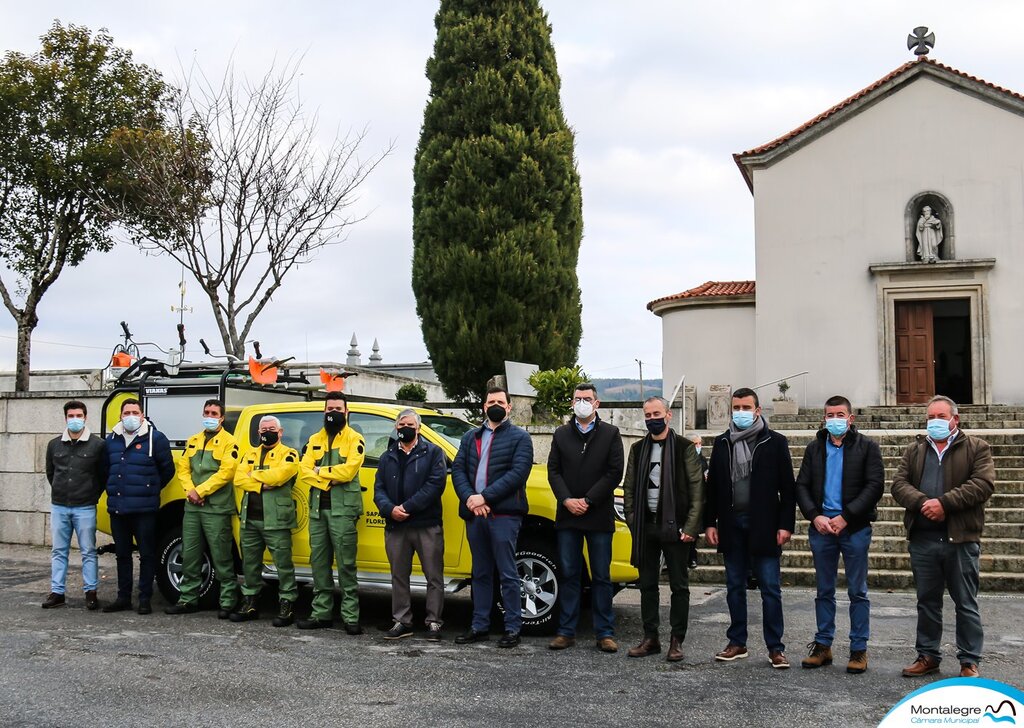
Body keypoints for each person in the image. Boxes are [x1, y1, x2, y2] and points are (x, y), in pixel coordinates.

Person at [891, 395, 994, 679]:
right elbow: (899, 484)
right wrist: (924, 502)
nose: (934, 422)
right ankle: (927, 655)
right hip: (923, 539)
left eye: (940, 417)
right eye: (930, 417)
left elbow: (983, 484)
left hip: (959, 539)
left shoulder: (977, 448)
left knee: (966, 602)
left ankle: (969, 660)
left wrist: (944, 504)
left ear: (955, 420)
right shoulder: (915, 450)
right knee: (927, 601)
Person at [705, 387, 796, 668]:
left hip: (765, 526)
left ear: (757, 410)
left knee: (770, 588)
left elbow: (788, 489)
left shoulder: (774, 442)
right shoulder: (722, 443)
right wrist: (710, 522)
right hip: (732, 525)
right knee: (734, 586)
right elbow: (713, 489)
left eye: (746, 407)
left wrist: (785, 525)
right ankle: (737, 642)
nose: (740, 412)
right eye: (737, 408)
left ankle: (775, 647)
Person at [795, 395, 884, 674]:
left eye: (839, 414)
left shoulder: (867, 447)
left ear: (850, 418)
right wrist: (815, 516)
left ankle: (859, 649)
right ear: (824, 418)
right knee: (824, 590)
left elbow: (874, 486)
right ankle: (823, 645)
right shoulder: (814, 449)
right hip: (822, 529)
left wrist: (847, 517)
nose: (834, 419)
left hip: (853, 528)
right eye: (829, 414)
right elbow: (802, 486)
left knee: (858, 591)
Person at [622, 397, 704, 662]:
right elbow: (629, 488)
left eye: (656, 413)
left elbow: (696, 489)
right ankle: (650, 638)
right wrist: (634, 520)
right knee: (647, 584)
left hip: (676, 526)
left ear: (668, 415)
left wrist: (691, 527)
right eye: (647, 415)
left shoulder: (683, 448)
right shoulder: (637, 449)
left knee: (679, 585)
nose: (651, 419)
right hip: (646, 525)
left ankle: (676, 640)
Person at [452, 386, 533, 648]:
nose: (495, 405)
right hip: (475, 514)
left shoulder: (521, 438)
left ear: (509, 407)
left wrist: (484, 497)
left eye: (500, 401)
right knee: (481, 573)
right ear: (484, 407)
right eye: (490, 401)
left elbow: (517, 474)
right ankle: (480, 626)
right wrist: (470, 499)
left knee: (508, 573)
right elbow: (458, 471)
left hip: (505, 515)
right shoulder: (470, 437)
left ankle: (512, 628)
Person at [546, 383, 624, 653]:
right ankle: (566, 631)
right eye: (578, 398)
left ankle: (604, 633)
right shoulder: (561, 434)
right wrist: (567, 500)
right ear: (572, 403)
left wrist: (589, 500)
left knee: (601, 576)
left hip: (598, 515)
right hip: (568, 515)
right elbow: (553, 471)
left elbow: (614, 472)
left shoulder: (611, 434)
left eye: (587, 399)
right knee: (569, 573)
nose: (582, 402)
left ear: (597, 403)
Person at [373, 409, 447, 640]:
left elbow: (435, 485)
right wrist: (389, 509)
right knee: (399, 575)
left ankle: (434, 621)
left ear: (419, 428)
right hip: (396, 526)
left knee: (433, 576)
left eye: (410, 424)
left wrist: (407, 507)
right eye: (401, 424)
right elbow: (379, 489)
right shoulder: (387, 456)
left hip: (426, 524)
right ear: (396, 427)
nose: (405, 428)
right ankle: (402, 621)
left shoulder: (434, 452)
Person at [296, 393, 367, 633]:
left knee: (346, 564)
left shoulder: (355, 439)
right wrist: (328, 479)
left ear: (346, 412)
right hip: (318, 510)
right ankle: (321, 614)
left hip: (343, 511)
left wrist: (319, 471)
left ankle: (350, 617)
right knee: (319, 564)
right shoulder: (315, 439)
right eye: (329, 408)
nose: (332, 412)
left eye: (337, 408)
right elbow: (304, 470)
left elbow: (348, 473)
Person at [165, 399, 241, 619]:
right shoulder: (194, 440)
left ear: (222, 418)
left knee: (221, 555)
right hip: (193, 507)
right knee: (190, 553)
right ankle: (187, 599)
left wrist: (202, 491)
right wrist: (191, 491)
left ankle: (227, 601)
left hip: (216, 508)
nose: (209, 416)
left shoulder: (229, 442)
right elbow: (183, 469)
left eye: (214, 413)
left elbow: (226, 472)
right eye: (207, 412)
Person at [103, 398, 174, 615]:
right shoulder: (111, 440)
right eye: (127, 412)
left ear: (142, 415)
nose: (131, 416)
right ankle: (123, 597)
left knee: (147, 554)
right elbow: (105, 469)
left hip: (145, 510)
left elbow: (167, 470)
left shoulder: (156, 439)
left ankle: (144, 598)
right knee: (122, 554)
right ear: (120, 416)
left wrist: (150, 488)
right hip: (118, 508)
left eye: (135, 412)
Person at [231, 416, 300, 626]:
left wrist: (254, 476)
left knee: (283, 565)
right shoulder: (249, 453)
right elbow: (239, 478)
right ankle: (250, 601)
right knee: (250, 564)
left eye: (271, 429)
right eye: (263, 429)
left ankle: (287, 604)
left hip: (276, 520)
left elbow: (280, 476)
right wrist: (262, 483)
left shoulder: (289, 454)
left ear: (280, 432)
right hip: (249, 519)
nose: (266, 432)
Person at [42, 400, 108, 610]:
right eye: (71, 416)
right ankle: (57, 592)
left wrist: (91, 494)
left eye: (78, 416)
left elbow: (102, 475)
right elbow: (51, 473)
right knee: (59, 550)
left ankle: (91, 592)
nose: (75, 420)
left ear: (85, 417)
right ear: (65, 418)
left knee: (88, 551)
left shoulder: (98, 445)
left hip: (85, 506)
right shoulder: (54, 444)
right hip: (60, 506)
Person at [686, 432, 708, 570]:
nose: (698, 446)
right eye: (695, 444)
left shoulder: (702, 460)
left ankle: (692, 557)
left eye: (700, 443)